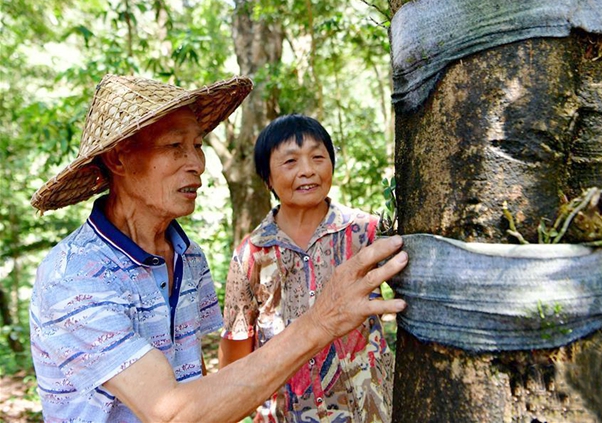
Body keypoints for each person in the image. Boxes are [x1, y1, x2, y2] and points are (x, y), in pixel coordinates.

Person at [29, 74, 408, 423]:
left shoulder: (187, 255)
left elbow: (200, 381)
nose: (198, 163)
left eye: (197, 145)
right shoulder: (73, 276)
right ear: (118, 158)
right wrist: (322, 320)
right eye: (175, 146)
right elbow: (171, 413)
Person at [219, 114, 395, 423]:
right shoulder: (251, 254)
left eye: (318, 157)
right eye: (290, 162)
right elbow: (235, 354)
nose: (308, 171)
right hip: (283, 414)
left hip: (367, 411)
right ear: (267, 178)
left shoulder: (367, 234)